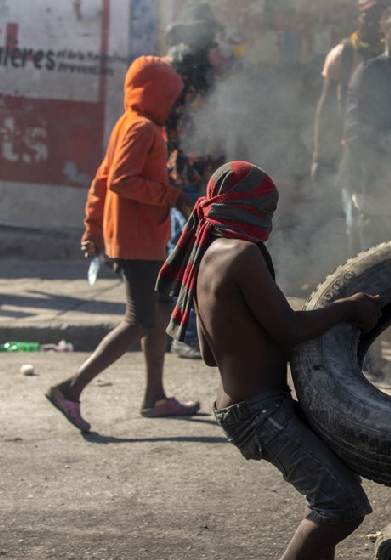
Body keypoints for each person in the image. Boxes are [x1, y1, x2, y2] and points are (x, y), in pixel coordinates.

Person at [156, 160, 381, 560]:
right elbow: (289, 329)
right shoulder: (243, 255)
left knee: (335, 492)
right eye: (268, 210)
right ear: (248, 208)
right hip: (260, 412)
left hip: (243, 408)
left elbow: (211, 354)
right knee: (339, 508)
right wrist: (347, 308)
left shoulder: (209, 255)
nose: (271, 220)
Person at [46, 56, 198, 433]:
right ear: (152, 93)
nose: (172, 103)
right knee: (140, 320)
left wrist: (92, 230)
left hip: (137, 237)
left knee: (161, 311)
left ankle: (155, 397)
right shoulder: (143, 128)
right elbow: (120, 181)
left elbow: (100, 179)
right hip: (137, 241)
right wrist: (172, 195)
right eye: (168, 95)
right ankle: (70, 388)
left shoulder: (127, 123)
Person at [163, 2, 225, 359]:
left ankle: (192, 329)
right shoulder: (175, 68)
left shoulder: (206, 67)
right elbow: (164, 123)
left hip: (205, 173)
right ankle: (181, 331)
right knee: (184, 251)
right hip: (183, 171)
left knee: (198, 251)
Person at [338, 6, 391, 252]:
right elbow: (355, 130)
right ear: (384, 34)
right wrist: (381, 165)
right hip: (368, 178)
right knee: (368, 248)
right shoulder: (368, 72)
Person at [312, 0, 389, 257]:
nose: (374, 23)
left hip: (387, 154)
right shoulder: (343, 55)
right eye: (370, 17)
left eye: (380, 18)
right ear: (359, 19)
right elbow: (325, 108)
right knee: (354, 222)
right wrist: (318, 155)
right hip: (353, 151)